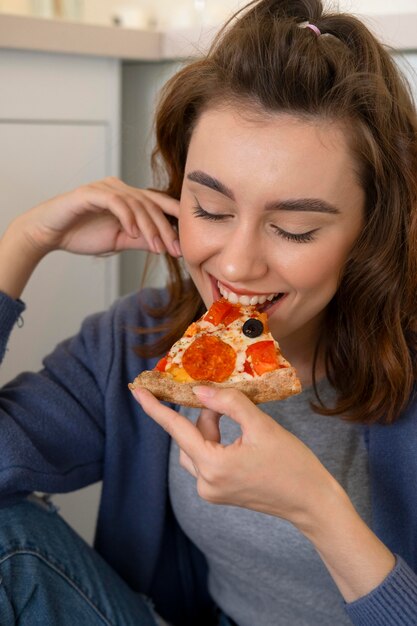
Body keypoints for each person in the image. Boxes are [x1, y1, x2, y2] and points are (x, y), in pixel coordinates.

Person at [0, 0, 417, 624]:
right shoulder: (137, 340)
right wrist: (23, 242)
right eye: (211, 211)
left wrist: (317, 511)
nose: (238, 264)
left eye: (295, 228)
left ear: (371, 231)